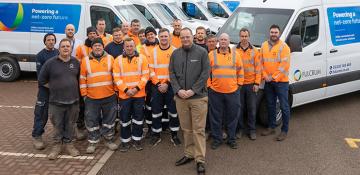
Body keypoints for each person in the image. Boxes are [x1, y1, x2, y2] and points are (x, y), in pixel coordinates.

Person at [169, 27, 209, 175]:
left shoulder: (202, 53)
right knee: (186, 129)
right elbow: (171, 74)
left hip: (198, 97)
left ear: (192, 37)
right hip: (181, 98)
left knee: (198, 130)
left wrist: (193, 90)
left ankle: (200, 159)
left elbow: (205, 74)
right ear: (180, 39)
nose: (185, 39)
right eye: (183, 37)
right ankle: (189, 154)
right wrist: (178, 90)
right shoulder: (175, 54)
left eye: (188, 37)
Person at [38, 38, 81, 160]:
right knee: (57, 125)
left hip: (73, 102)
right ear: (59, 48)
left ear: (71, 48)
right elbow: (41, 80)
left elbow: (78, 79)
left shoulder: (76, 62)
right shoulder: (50, 63)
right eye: (63, 46)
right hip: (56, 102)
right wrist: (54, 88)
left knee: (70, 124)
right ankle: (56, 146)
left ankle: (69, 144)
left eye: (68, 46)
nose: (66, 48)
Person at [79, 38, 118, 153]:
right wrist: (84, 95)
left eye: (99, 45)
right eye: (95, 45)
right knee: (91, 120)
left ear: (103, 47)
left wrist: (116, 91)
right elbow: (82, 79)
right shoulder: (85, 61)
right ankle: (93, 141)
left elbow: (115, 77)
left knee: (109, 120)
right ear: (92, 47)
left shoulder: (110, 58)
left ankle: (108, 139)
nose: (97, 47)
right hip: (92, 98)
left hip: (109, 96)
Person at [208, 33, 244, 150]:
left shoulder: (236, 55)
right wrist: (209, 85)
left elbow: (240, 71)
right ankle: (217, 139)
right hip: (215, 92)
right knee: (215, 116)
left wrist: (239, 84)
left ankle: (231, 139)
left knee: (232, 116)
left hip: (233, 91)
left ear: (229, 41)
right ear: (218, 41)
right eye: (221, 39)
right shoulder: (211, 55)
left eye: (225, 40)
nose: (223, 41)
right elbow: (206, 73)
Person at [113, 37, 149, 152]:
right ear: (124, 47)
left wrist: (136, 89)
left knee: (138, 119)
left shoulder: (142, 58)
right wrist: (126, 90)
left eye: (131, 46)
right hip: (124, 96)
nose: (129, 48)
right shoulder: (118, 60)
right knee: (125, 119)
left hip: (139, 95)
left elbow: (145, 76)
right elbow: (116, 78)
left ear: (135, 46)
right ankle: (125, 141)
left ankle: (137, 140)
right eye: (127, 46)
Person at [148, 28, 181, 147]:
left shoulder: (175, 51)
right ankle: (156, 135)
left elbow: (176, 70)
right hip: (156, 87)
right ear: (158, 37)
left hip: (171, 86)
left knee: (173, 111)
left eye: (165, 36)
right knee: (156, 111)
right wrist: (158, 84)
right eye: (161, 36)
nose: (163, 38)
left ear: (169, 37)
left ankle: (174, 134)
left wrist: (167, 83)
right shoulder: (153, 52)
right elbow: (150, 70)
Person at [260, 24, 291, 141]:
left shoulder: (284, 47)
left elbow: (284, 66)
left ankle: (284, 130)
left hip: (281, 82)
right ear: (269, 33)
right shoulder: (263, 45)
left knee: (284, 106)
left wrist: (272, 77)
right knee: (270, 105)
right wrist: (265, 76)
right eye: (272, 32)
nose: (273, 34)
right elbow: (260, 62)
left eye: (276, 32)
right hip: (268, 81)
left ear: (279, 33)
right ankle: (271, 127)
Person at [32, 33, 59, 150]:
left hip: (57, 91)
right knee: (41, 114)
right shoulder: (40, 56)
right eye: (49, 40)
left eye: (53, 40)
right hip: (45, 90)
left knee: (58, 114)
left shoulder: (58, 53)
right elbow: (40, 78)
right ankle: (37, 136)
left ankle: (59, 135)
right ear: (45, 42)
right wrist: (53, 86)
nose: (51, 42)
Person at [236, 28, 261, 140]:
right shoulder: (234, 50)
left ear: (249, 37)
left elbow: (258, 69)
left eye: (246, 36)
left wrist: (257, 83)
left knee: (252, 108)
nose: (244, 38)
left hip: (251, 84)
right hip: (238, 84)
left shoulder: (255, 51)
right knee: (239, 108)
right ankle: (240, 129)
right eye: (242, 36)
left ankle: (252, 130)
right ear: (239, 37)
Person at [139, 26, 159, 136]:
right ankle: (150, 127)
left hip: (159, 80)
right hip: (148, 81)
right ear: (146, 37)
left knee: (160, 105)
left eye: (152, 34)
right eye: (148, 35)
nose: (150, 36)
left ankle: (161, 126)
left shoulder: (161, 45)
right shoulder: (143, 48)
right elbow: (143, 63)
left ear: (155, 35)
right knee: (149, 105)